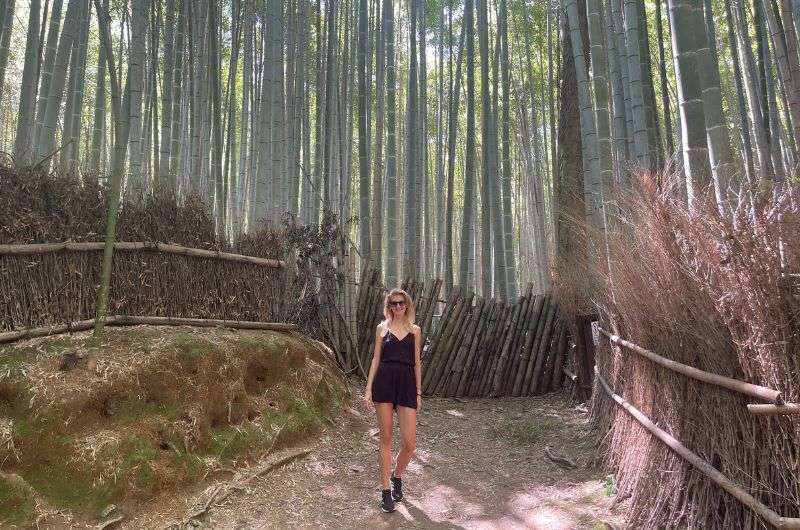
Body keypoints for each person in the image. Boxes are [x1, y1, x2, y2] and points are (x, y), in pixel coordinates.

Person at [363, 288, 422, 513]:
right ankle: (386, 491)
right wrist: (368, 388)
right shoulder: (382, 328)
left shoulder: (415, 330)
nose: (398, 307)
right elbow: (376, 359)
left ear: (407, 305)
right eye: (393, 304)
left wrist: (418, 391)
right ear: (388, 306)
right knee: (385, 440)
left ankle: (397, 476)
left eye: (401, 303)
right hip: (385, 382)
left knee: (409, 443)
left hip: (406, 383)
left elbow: (417, 362)